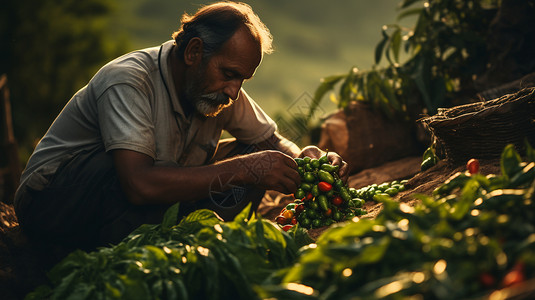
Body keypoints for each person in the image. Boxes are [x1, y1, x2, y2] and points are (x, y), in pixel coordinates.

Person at [14, 2, 348, 254]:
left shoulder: (219, 91)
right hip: (58, 202)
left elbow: (271, 140)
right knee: (122, 167)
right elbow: (139, 185)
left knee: (258, 153)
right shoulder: (129, 81)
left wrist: (305, 159)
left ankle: (180, 243)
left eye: (242, 80)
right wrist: (244, 170)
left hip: (134, 201)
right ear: (193, 52)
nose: (234, 91)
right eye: (230, 74)